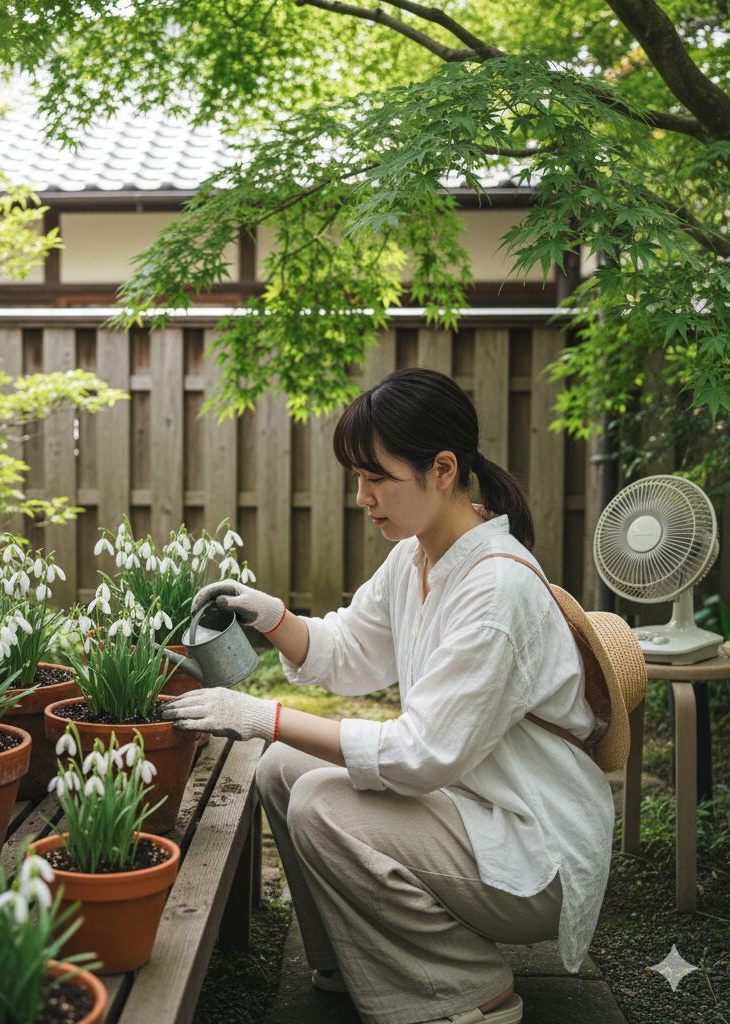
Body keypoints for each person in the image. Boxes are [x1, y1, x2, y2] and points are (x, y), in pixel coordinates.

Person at [161, 368, 619, 1024]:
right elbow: (349, 648)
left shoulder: (496, 592)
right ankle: (352, 961)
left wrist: (266, 715)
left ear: (441, 469)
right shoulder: (417, 556)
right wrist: (270, 616)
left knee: (320, 802)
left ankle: (465, 991)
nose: (362, 496)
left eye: (377, 477)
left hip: (532, 845)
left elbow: (421, 753)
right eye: (358, 477)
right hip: (471, 807)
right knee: (284, 770)